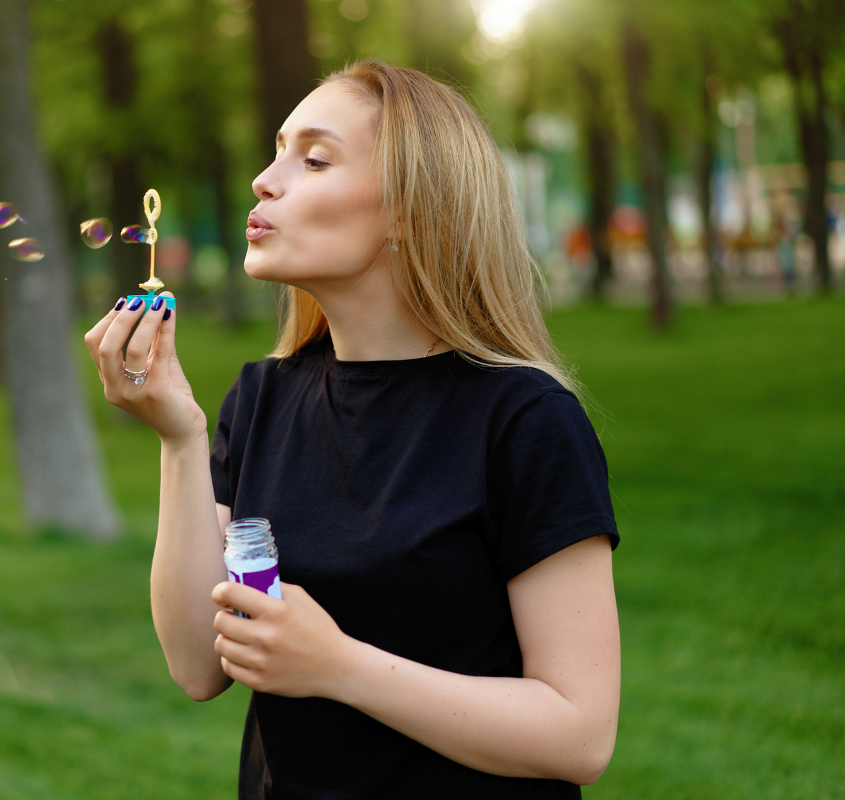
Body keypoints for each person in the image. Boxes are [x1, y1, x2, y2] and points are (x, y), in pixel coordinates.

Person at [84, 60, 620, 799]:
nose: (263, 181)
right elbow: (197, 667)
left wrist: (339, 665)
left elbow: (579, 735)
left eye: (312, 158)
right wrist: (180, 438)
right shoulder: (263, 398)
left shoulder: (523, 421)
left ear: (409, 208)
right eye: (275, 151)